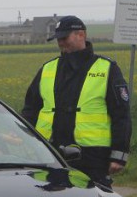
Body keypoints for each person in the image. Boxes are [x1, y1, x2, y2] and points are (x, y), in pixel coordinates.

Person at [21, 16, 131, 185]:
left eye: (64, 38)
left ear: (81, 35)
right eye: (58, 39)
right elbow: (30, 110)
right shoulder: (47, 69)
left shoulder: (107, 68)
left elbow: (121, 115)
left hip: (92, 158)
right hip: (50, 154)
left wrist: (119, 155)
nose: (60, 43)